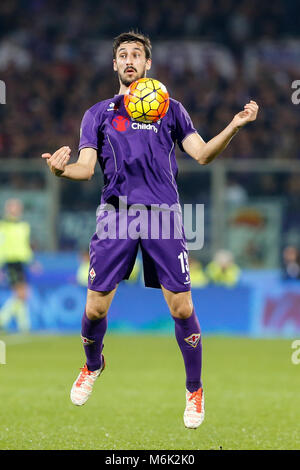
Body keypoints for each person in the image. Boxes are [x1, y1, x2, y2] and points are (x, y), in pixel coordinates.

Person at [41, 31, 258, 429]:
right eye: (122, 55)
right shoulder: (99, 114)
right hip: (116, 216)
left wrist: (235, 125)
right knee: (94, 308)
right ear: (114, 65)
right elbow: (85, 168)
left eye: (136, 55)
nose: (129, 60)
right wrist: (60, 170)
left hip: (162, 215)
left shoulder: (171, 109)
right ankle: (93, 364)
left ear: (147, 65)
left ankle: (194, 390)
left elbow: (204, 154)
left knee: (182, 307)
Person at [0, 198, 32, 332]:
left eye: (18, 207)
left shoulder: (24, 226)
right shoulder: (3, 226)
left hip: (22, 263)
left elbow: (25, 246)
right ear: (8, 209)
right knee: (22, 294)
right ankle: (3, 320)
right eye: (13, 207)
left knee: (22, 295)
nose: (16, 210)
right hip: (10, 262)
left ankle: (23, 326)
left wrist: (32, 262)